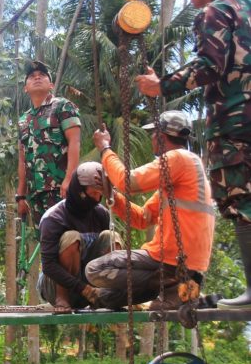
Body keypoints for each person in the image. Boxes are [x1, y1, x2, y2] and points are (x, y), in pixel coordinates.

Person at [134, 0, 250, 309]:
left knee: (240, 200)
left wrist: (162, 85)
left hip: (236, 122)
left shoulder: (216, 10)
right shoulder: (246, 9)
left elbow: (209, 65)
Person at [87, 111, 215, 309]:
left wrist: (105, 148)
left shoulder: (177, 158)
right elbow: (142, 219)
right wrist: (112, 195)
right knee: (107, 297)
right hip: (187, 265)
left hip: (173, 258)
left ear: (161, 136)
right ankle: (179, 292)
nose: (152, 139)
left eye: (153, 134)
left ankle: (172, 286)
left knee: (95, 269)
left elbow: (128, 182)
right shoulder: (185, 170)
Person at [36, 162, 123, 313]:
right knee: (71, 237)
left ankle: (111, 295)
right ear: (79, 191)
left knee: (111, 236)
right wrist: (83, 288)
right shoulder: (53, 218)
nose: (97, 198)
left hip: (91, 290)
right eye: (93, 193)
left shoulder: (101, 214)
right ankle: (62, 298)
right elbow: (48, 265)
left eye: (100, 194)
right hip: (55, 287)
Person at [17, 60, 82, 229]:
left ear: (51, 85)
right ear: (25, 88)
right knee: (45, 239)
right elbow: (22, 159)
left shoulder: (62, 106)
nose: (37, 78)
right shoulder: (23, 120)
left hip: (61, 188)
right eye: (32, 76)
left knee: (67, 237)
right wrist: (21, 195)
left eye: (42, 75)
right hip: (35, 194)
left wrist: (69, 179)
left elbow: (74, 142)